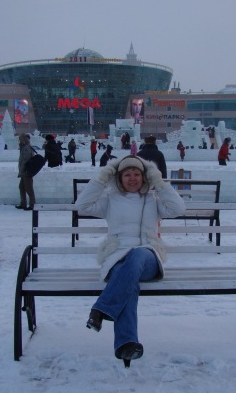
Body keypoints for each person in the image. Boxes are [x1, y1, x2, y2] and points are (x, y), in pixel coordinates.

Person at [75, 155, 186, 366]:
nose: (132, 178)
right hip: (117, 258)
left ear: (145, 177)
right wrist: (101, 178)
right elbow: (82, 205)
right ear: (119, 178)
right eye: (127, 174)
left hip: (148, 257)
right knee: (127, 281)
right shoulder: (110, 200)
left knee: (137, 254)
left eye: (137, 174)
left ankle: (101, 309)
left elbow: (178, 208)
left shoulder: (153, 200)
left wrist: (159, 182)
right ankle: (126, 344)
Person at [16, 133, 35, 210]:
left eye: (20, 139)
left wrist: (22, 170)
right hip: (24, 171)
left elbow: (25, 160)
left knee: (29, 188)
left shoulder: (26, 148)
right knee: (22, 187)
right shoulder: (24, 147)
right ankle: (23, 203)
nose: (19, 141)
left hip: (26, 172)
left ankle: (32, 204)